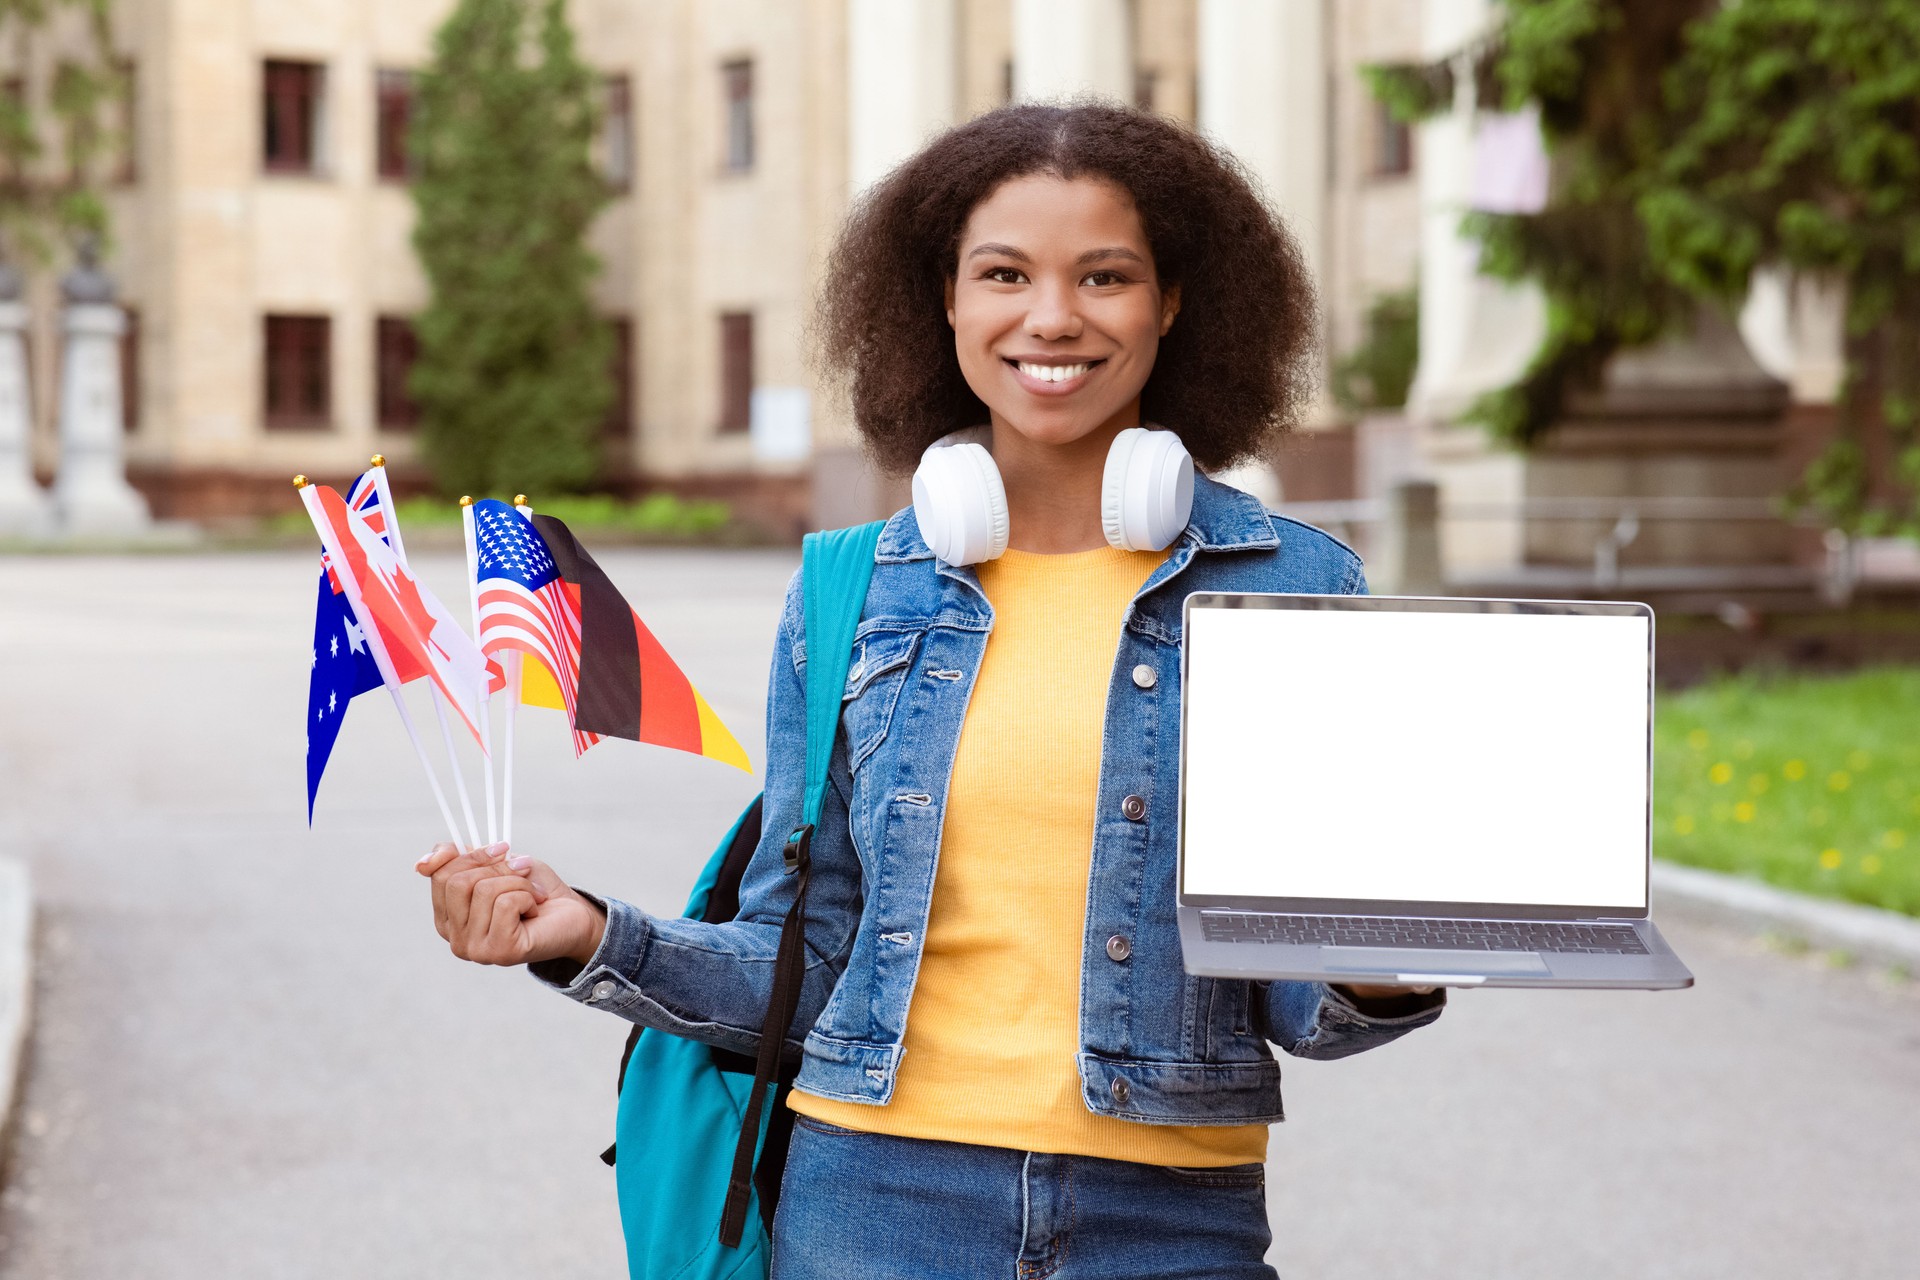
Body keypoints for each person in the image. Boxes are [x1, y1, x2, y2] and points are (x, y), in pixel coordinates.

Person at [418, 103, 1445, 1279]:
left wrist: (1388, 952)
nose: (1052, 316)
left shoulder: (1297, 585)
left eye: (1105, 276)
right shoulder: (852, 589)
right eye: (1003, 273)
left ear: (1171, 303)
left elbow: (1305, 998)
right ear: (943, 302)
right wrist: (589, 932)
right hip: (874, 1206)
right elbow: (798, 962)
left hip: (1173, 1216)